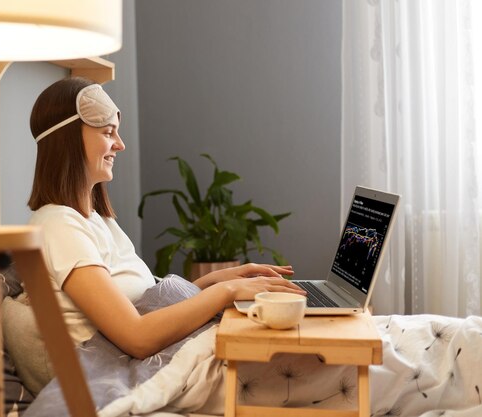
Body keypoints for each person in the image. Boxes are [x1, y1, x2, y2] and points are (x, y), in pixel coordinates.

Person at [25, 76, 306, 361]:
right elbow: (138, 337)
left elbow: (142, 300)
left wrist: (212, 281)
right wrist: (225, 291)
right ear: (68, 139)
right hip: (123, 368)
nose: (120, 144)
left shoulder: (94, 220)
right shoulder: (59, 226)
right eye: (108, 132)